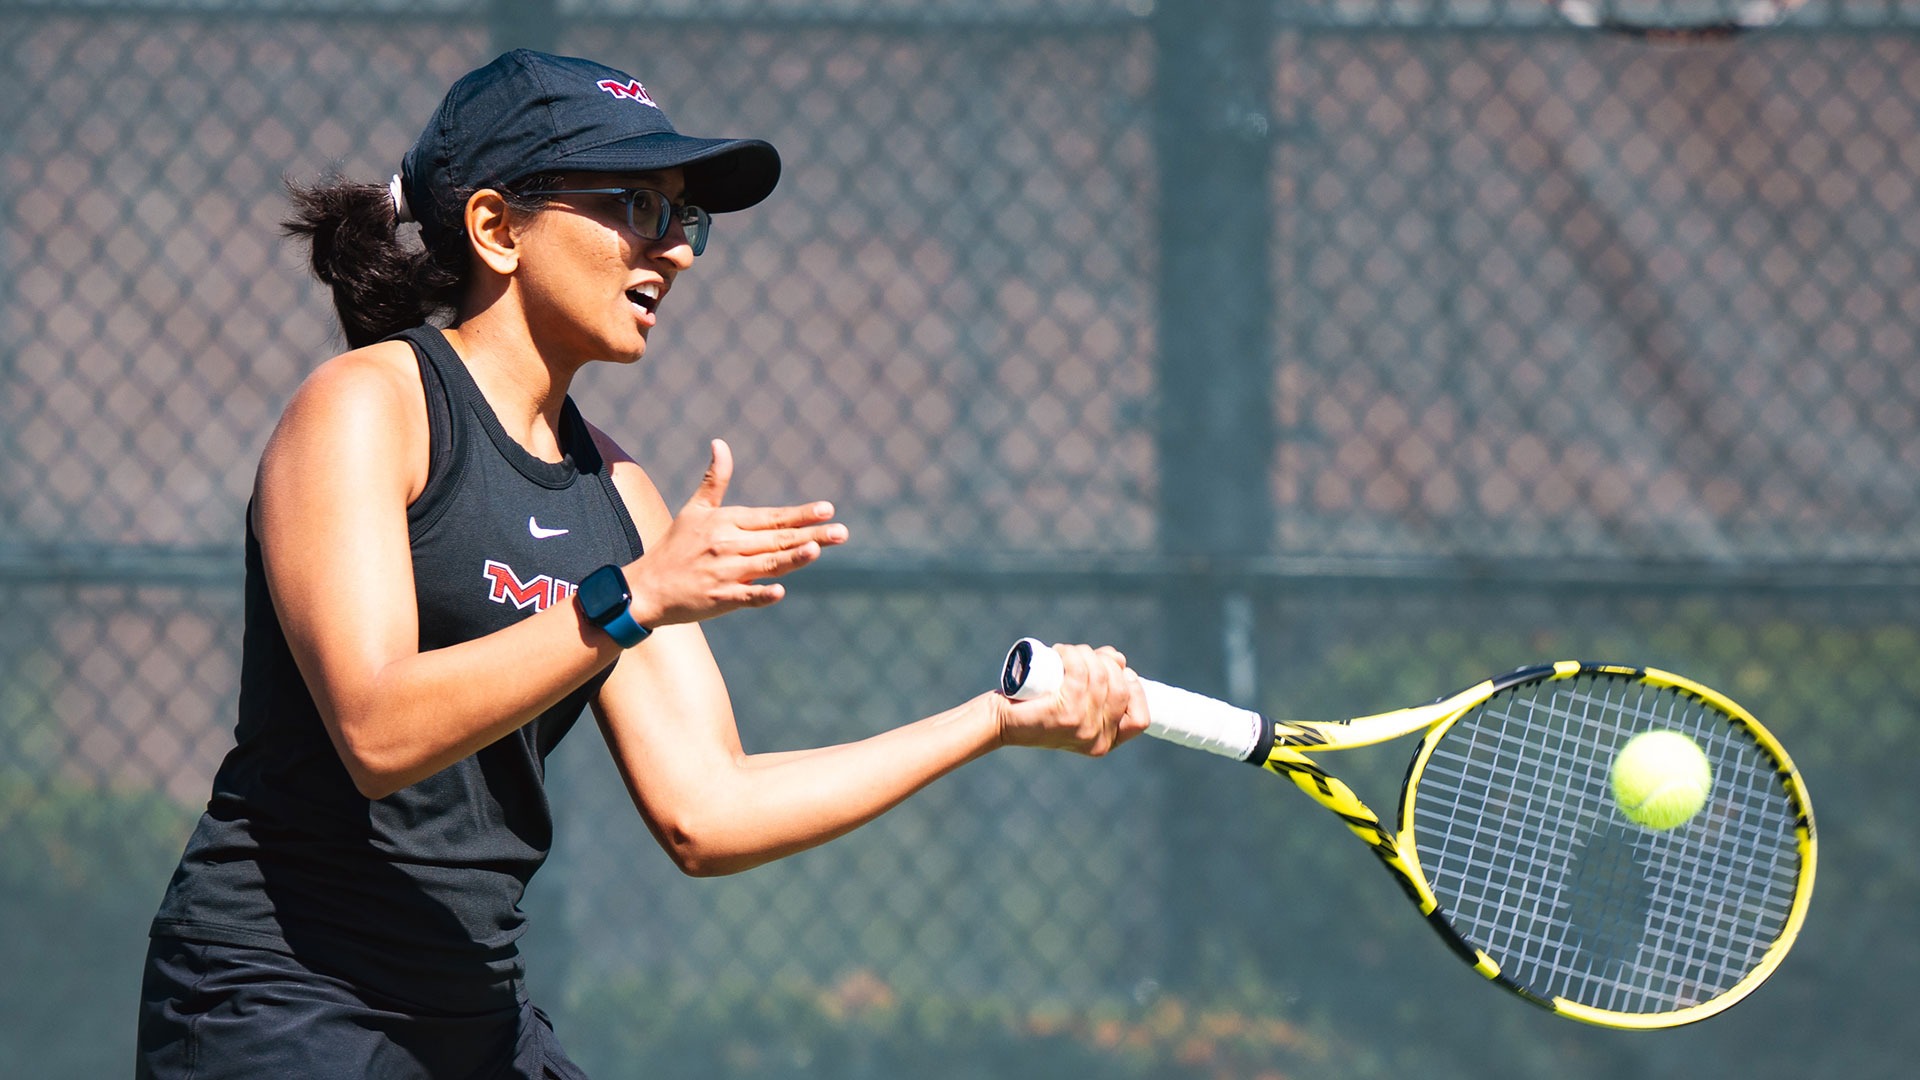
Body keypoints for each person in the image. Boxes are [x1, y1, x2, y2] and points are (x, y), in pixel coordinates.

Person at [135, 48, 1147, 1079]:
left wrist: (993, 721)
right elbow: (377, 729)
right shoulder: (366, 407)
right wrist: (632, 599)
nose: (677, 250)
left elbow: (708, 809)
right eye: (634, 205)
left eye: (683, 218)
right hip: (276, 1002)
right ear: (497, 228)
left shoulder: (615, 495)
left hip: (470, 1011)